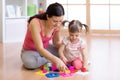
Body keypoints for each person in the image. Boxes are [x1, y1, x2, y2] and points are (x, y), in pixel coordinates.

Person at [21, 2, 68, 71]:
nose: (58, 24)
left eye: (60, 21)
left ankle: (44, 59)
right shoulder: (35, 23)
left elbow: (56, 43)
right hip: (30, 50)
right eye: (55, 21)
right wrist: (56, 60)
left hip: (46, 48)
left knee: (65, 52)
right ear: (47, 16)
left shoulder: (58, 26)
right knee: (30, 63)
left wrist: (67, 44)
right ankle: (48, 60)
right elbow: (40, 48)